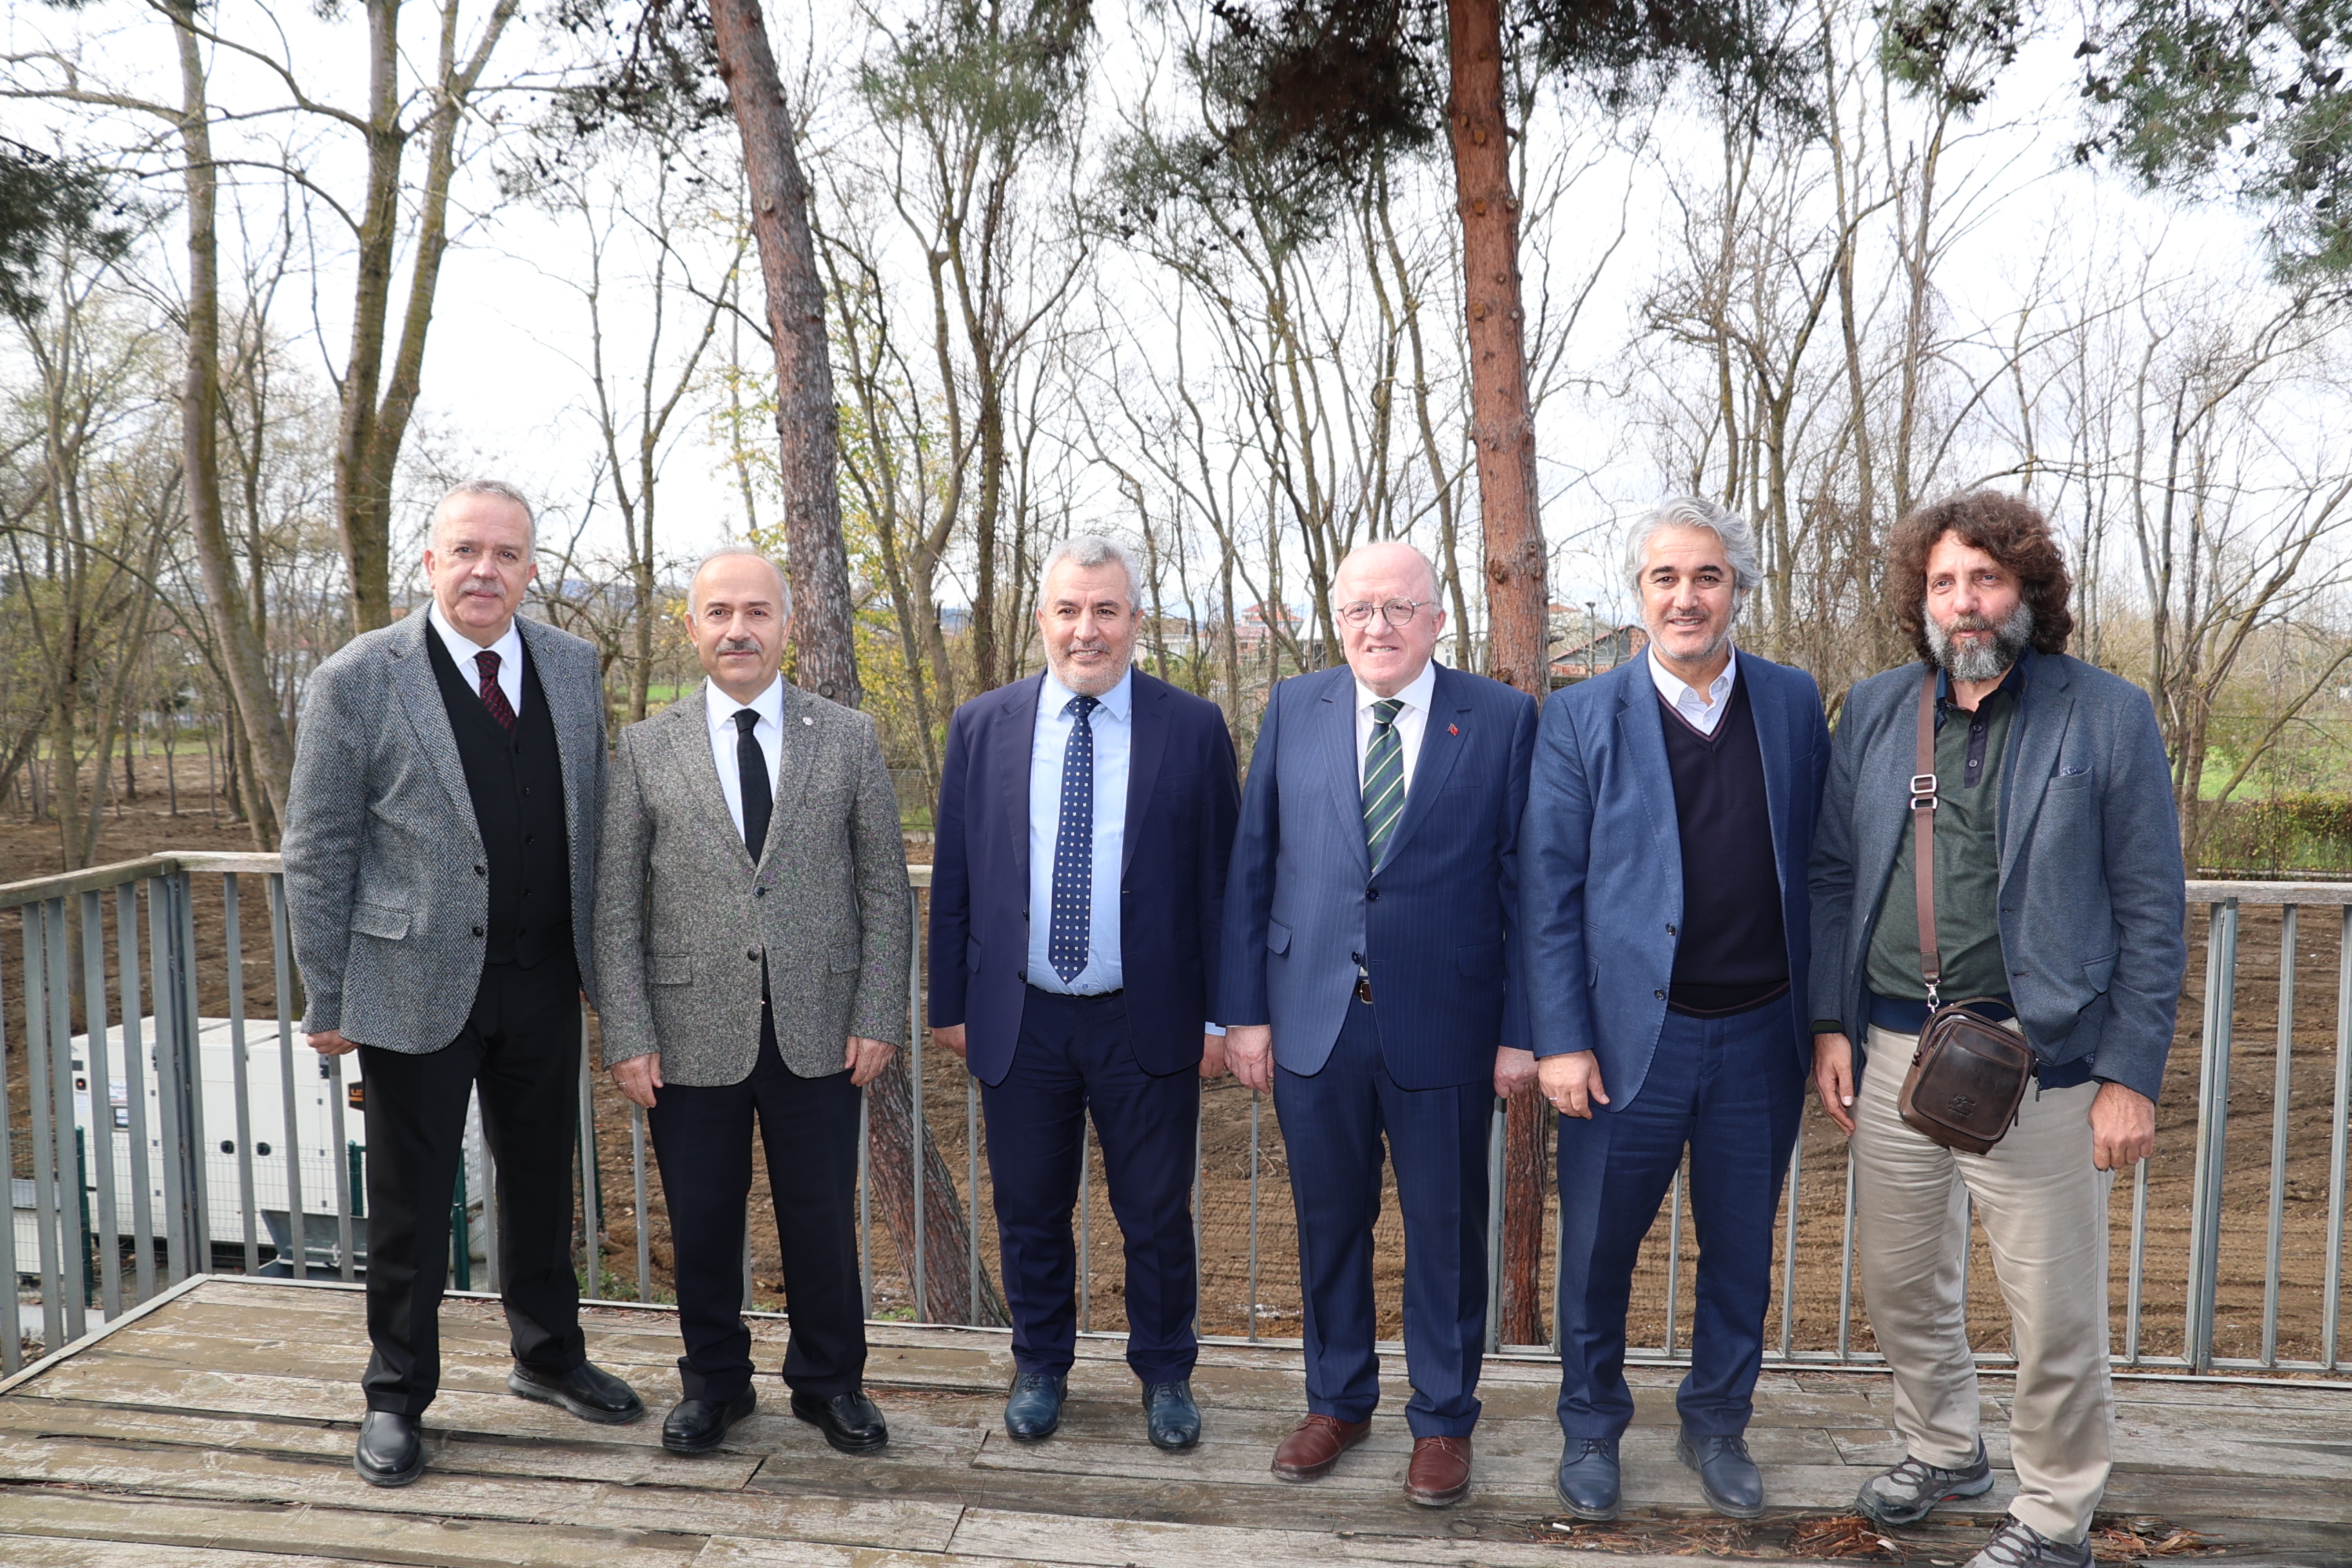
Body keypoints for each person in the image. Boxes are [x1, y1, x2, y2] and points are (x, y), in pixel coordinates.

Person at [1810, 491, 2185, 1568]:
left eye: (1985, 578)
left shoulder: (2104, 713)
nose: (1964, 601)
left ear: (2027, 589)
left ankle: (2056, 1513)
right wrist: (1832, 1023)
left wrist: (2130, 1075)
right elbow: (1834, 875)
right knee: (1900, 1284)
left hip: (2041, 1065)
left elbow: (2152, 907)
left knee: (2053, 1312)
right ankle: (1942, 1448)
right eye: (1944, 582)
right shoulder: (1876, 708)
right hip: (1892, 1052)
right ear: (1919, 599)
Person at [283, 480, 643, 1487]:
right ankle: (396, 1395)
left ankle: (549, 1355)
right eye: (467, 551)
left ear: (530, 569)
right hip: (411, 982)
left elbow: (593, 824)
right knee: (411, 1202)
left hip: (544, 977)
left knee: (541, 1180)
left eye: (507, 554)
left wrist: (605, 970)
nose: (487, 570)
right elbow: (317, 847)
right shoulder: (358, 678)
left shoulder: (571, 666)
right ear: (430, 561)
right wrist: (329, 995)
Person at [1519, 498, 1830, 1522]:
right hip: (1624, 1047)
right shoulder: (1582, 715)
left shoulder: (1790, 701)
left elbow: (1823, 870)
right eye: (1666, 578)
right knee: (1597, 1254)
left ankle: (1718, 1425)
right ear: (1638, 594)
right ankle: (1591, 1429)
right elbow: (1548, 891)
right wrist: (1561, 1040)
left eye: (1707, 577)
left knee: (1739, 1254)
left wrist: (1827, 1019)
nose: (1686, 597)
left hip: (1761, 1036)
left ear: (1736, 589)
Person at [1220, 540, 1537, 1509]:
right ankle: (1338, 1401)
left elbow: (1526, 888)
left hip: (1449, 1022)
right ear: (1338, 619)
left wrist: (1522, 1028)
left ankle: (1442, 1420)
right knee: (1329, 1223)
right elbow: (1253, 866)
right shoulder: (1294, 707)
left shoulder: (1502, 717)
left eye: (1400, 608)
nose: (1379, 626)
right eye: (1360, 608)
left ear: (1437, 619)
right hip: (1313, 1019)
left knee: (1446, 1232)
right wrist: (1244, 1015)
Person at [595, 547, 910, 1458]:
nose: (739, 629)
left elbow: (884, 890)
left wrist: (877, 1015)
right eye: (720, 612)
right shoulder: (645, 748)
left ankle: (830, 1383)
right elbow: (616, 905)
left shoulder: (847, 737)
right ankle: (714, 1385)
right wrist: (628, 1031)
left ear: (787, 625)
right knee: (702, 1222)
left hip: (821, 1028)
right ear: (692, 627)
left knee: (822, 1220)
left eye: (758, 612)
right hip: (687, 1030)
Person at [928, 534, 1239, 1450]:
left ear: (1136, 621)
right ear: (1043, 619)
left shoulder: (1194, 728)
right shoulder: (982, 725)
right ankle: (1040, 1364)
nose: (1087, 629)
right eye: (1069, 609)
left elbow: (1221, 885)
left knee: (1156, 1214)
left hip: (1149, 1020)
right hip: (1022, 1017)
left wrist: (1220, 1017)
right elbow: (955, 877)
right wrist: (949, 1003)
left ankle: (1166, 1373)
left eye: (1106, 610)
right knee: (1029, 1208)